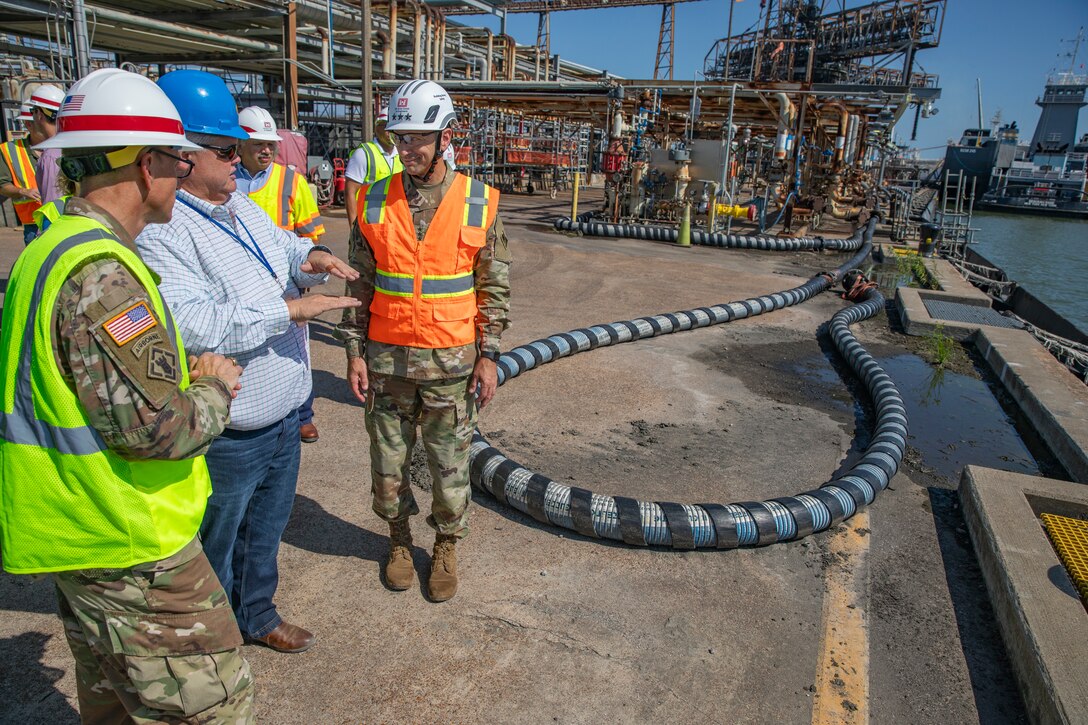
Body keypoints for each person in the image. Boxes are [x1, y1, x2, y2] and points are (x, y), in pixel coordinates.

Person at [0, 68, 254, 722]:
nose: (183, 172)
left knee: (113, 705)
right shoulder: (105, 276)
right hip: (133, 552)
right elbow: (158, 430)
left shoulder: (50, 246)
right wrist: (214, 388)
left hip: (79, 538)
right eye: (177, 159)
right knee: (215, 708)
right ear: (147, 166)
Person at [137, 69, 360, 654]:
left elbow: (283, 245)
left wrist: (311, 255)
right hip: (232, 431)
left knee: (265, 534)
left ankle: (256, 614)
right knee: (216, 539)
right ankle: (207, 639)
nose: (241, 160)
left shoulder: (237, 207)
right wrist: (290, 310)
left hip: (282, 418)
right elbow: (196, 323)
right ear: (181, 155)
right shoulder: (164, 231)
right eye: (227, 150)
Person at [338, 79, 511, 602]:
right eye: (399, 137)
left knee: (449, 468)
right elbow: (358, 286)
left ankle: (445, 546)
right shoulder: (372, 200)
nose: (407, 149)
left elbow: (493, 287)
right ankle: (396, 541)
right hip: (387, 363)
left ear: (443, 137)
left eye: (419, 137)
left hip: (452, 364)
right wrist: (352, 352)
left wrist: (490, 357)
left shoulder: (479, 201)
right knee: (388, 467)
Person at [236, 105, 326, 443]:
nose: (266, 150)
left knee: (296, 351)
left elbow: (311, 236)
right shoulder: (226, 181)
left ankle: (303, 414)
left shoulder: (290, 180)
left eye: (270, 144)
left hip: (286, 282)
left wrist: (311, 266)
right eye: (258, 143)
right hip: (240, 284)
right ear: (239, 144)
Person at [0, 85, 62, 243]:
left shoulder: (53, 152)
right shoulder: (10, 150)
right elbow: (3, 184)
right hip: (33, 223)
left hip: (61, 220)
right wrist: (23, 191)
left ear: (39, 116)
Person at [344, 105, 401, 224]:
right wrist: (354, 228)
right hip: (369, 224)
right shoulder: (364, 154)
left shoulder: (401, 154)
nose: (390, 132)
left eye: (394, 127)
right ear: (377, 128)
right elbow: (350, 192)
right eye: (386, 126)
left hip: (394, 225)